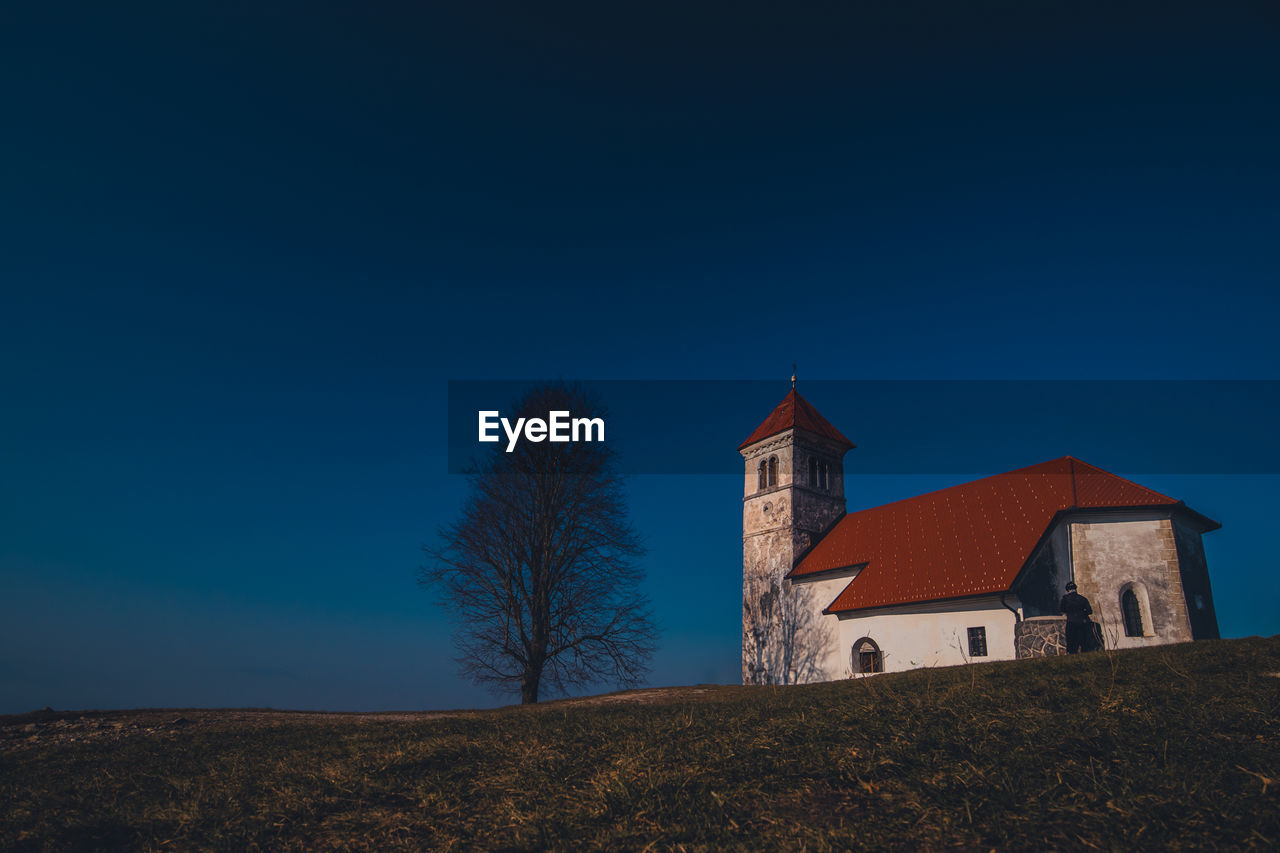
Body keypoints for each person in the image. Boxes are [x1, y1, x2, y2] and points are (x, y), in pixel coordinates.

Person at [1060, 581, 1095, 654]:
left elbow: (1062, 609)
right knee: (1084, 644)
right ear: (1075, 589)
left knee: (1071, 644)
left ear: (1067, 590)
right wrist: (1082, 613)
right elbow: (1089, 611)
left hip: (1071, 622)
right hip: (1082, 623)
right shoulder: (1083, 599)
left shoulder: (1065, 599)